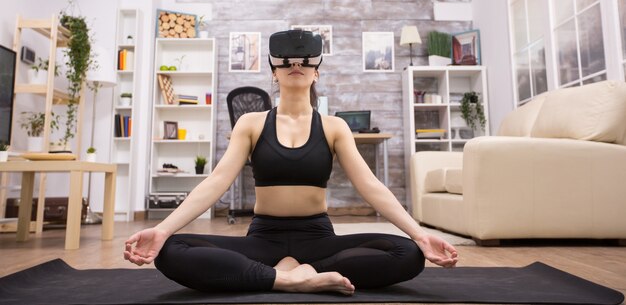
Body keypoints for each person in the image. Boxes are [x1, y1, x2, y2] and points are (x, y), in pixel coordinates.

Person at [124, 30, 458, 295]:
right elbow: (217, 181)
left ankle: (298, 272)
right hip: (263, 239)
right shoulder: (251, 124)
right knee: (171, 249)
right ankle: (289, 280)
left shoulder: (334, 127)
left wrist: (419, 234)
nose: (295, 65)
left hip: (318, 239)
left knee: (409, 254)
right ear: (274, 71)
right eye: (286, 62)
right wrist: (163, 228)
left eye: (304, 61)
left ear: (316, 71)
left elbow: (370, 185)